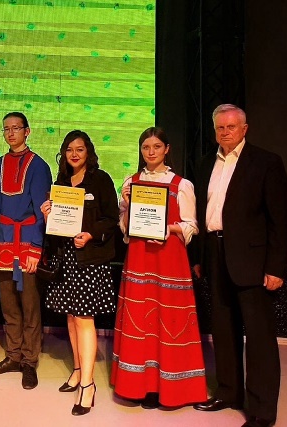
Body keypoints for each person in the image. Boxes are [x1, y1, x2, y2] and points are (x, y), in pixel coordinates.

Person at [192, 105, 287, 427]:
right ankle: (228, 393)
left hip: (253, 261)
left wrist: (275, 268)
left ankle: (262, 411)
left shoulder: (266, 162)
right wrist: (200, 258)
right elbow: (203, 212)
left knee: (259, 338)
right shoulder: (205, 162)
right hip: (215, 254)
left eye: (231, 127)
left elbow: (279, 220)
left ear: (244, 129)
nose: (225, 132)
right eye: (220, 127)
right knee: (223, 330)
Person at [111, 127, 207, 408]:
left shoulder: (181, 184)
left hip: (169, 260)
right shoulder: (131, 182)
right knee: (140, 320)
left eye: (156, 147)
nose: (150, 152)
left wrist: (167, 229)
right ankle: (140, 386)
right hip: (139, 258)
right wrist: (127, 204)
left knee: (168, 320)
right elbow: (124, 227)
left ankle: (170, 388)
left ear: (167, 149)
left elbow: (191, 226)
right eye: (145, 147)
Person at [40, 130, 118, 415]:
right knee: (71, 318)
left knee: (84, 319)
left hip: (90, 259)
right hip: (66, 258)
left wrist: (90, 234)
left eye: (80, 149)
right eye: (69, 149)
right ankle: (76, 370)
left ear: (89, 152)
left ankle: (88, 385)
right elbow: (57, 228)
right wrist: (48, 215)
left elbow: (111, 219)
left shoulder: (101, 180)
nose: (74, 154)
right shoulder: (60, 183)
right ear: (64, 153)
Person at [0, 112, 52, 390]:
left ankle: (29, 360)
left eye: (16, 128)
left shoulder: (39, 166)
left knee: (30, 305)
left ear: (27, 131)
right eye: (7, 129)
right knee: (9, 304)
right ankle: (13, 355)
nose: (11, 133)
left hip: (27, 241)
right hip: (3, 241)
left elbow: (42, 211)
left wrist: (36, 248)